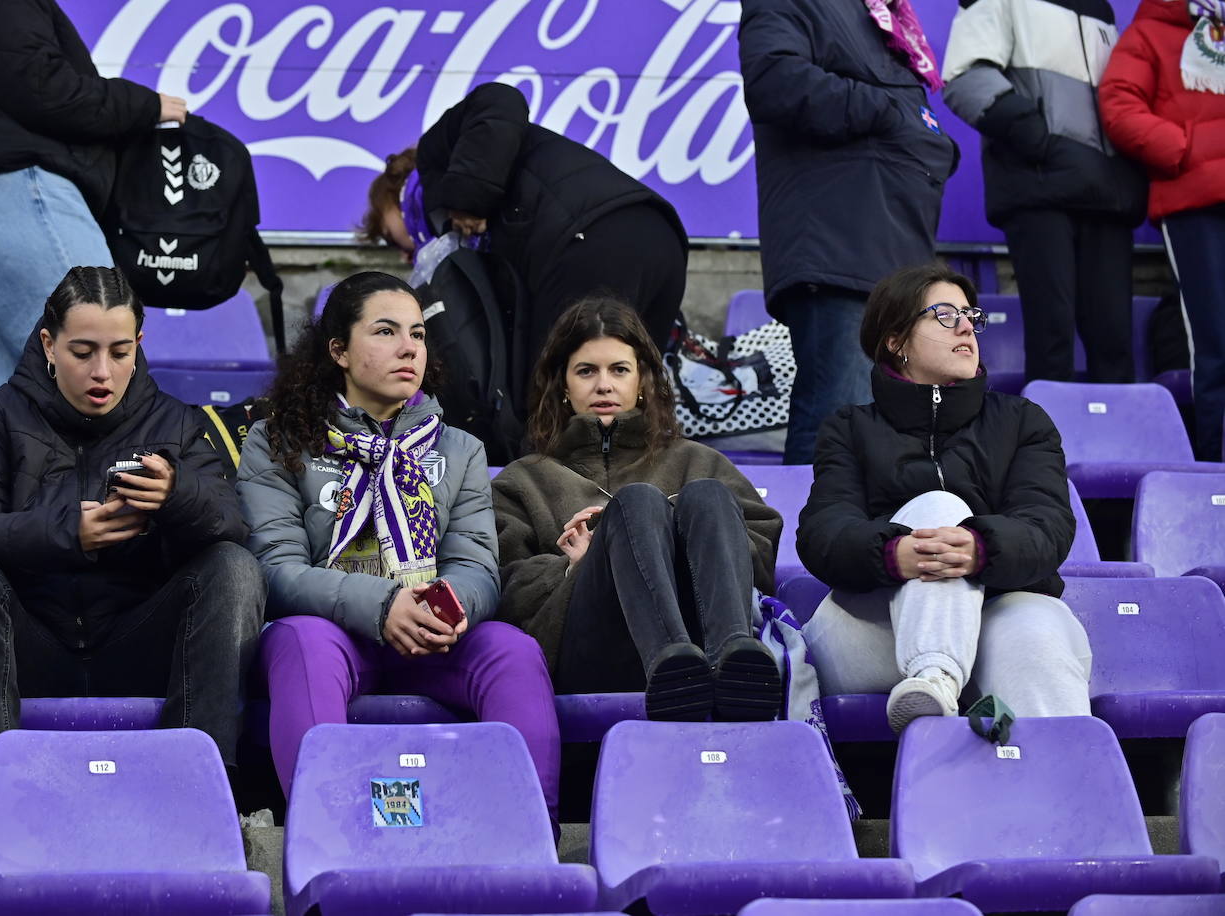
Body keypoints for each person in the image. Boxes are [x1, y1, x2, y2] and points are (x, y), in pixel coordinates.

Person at [0, 266, 265, 854]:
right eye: (82, 351)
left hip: (140, 644)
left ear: (140, 346)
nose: (102, 371)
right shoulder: (0, 416)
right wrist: (67, 533)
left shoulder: (177, 423)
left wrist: (177, 496)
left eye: (119, 350)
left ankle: (201, 788)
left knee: (233, 567)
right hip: (32, 647)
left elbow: (235, 526)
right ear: (49, 345)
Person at [236, 271, 561, 823]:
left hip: (432, 634)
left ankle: (525, 839)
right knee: (304, 642)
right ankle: (330, 839)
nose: (409, 347)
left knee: (511, 650)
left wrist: (444, 610)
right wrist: (383, 608)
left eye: (417, 333)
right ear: (338, 349)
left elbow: (478, 566)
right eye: (385, 332)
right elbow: (276, 569)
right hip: (332, 634)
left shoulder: (460, 450)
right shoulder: (279, 440)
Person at [796, 263, 1091, 733]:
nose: (967, 326)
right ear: (895, 340)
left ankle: (1068, 793)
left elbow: (1048, 527)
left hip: (998, 610)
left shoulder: (1023, 421)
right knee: (939, 507)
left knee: (1035, 636)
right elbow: (824, 535)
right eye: (945, 314)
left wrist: (982, 548)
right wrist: (893, 554)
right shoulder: (848, 428)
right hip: (872, 626)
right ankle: (935, 672)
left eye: (972, 315)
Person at [491, 298, 784, 721]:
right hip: (587, 653)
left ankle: (733, 662)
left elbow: (759, 558)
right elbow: (503, 586)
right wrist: (575, 567)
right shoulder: (523, 480)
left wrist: (672, 534)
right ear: (563, 386)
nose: (604, 385)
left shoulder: (698, 462)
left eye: (619, 370)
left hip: (703, 635)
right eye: (586, 371)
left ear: (643, 380)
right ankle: (672, 668)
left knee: (704, 496)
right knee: (637, 503)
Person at [0, 0, 188, 403]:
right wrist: (144, 105)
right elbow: (43, 87)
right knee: (102, 371)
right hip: (12, 196)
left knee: (8, 402)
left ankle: (4, 470)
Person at [738, 0, 960, 464]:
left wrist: (927, 139)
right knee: (836, 421)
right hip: (837, 255)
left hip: (895, 260)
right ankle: (807, 537)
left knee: (879, 440)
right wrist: (889, 110)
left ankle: (861, 537)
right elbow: (774, 81)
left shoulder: (883, 18)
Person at [361, 81, 689, 386]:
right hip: (661, 235)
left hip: (588, 236)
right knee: (636, 393)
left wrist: (468, 199)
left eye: (389, 237)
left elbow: (500, 98)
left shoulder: (436, 156)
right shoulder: (461, 240)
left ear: (394, 193)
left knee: (554, 394)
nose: (404, 255)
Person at [942, 0, 1146, 385]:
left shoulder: (1102, 8)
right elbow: (965, 78)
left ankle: (1115, 444)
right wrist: (1041, 141)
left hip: (1107, 192)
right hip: (1040, 187)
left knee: (1115, 342)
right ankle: (1044, 443)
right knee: (1052, 338)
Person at [1100, 0, 1225, 460]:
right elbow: (1119, 105)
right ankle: (1216, 473)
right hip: (1194, 203)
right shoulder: (1151, 31)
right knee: (1216, 344)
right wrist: (1186, 149)